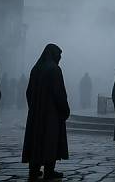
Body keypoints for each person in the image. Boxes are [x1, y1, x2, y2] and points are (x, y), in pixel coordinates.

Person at [22, 44, 70, 181]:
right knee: (50, 141)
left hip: (36, 113)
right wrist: (64, 109)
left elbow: (29, 92)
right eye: (59, 55)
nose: (60, 57)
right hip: (51, 114)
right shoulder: (55, 70)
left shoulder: (36, 68)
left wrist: (34, 107)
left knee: (36, 140)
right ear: (53, 54)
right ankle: (49, 170)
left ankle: (34, 170)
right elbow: (59, 93)